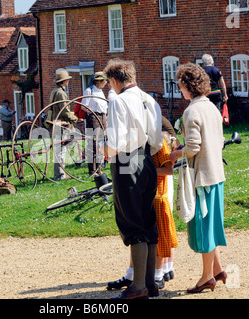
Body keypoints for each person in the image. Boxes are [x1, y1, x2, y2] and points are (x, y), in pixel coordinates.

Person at [102, 58, 163, 299]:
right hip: (147, 159)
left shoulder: (118, 101)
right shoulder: (150, 100)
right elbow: (157, 141)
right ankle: (150, 283)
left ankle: (138, 287)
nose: (110, 88)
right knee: (148, 221)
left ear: (115, 80)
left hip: (127, 161)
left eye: (110, 83)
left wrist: (103, 150)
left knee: (132, 221)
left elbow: (115, 143)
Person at [170, 63, 227, 294]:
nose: (180, 90)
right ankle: (218, 270)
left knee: (203, 228)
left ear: (187, 86)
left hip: (202, 177)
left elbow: (193, 147)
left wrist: (174, 154)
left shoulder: (192, 111)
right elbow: (216, 141)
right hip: (216, 174)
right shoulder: (211, 107)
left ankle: (206, 278)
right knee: (212, 225)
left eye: (180, 85)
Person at [49, 70, 78, 180]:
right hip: (60, 124)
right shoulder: (61, 93)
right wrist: (74, 118)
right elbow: (64, 111)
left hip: (55, 122)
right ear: (65, 81)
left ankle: (60, 173)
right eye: (68, 80)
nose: (69, 81)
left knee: (59, 149)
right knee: (60, 150)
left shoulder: (55, 91)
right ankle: (60, 175)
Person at [81, 72, 109, 175]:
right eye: (105, 81)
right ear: (99, 81)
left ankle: (99, 168)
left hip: (102, 117)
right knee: (93, 144)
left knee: (100, 144)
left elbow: (104, 108)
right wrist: (92, 113)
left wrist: (105, 120)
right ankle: (92, 170)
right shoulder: (89, 91)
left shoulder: (101, 92)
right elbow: (83, 106)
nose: (106, 83)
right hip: (93, 118)